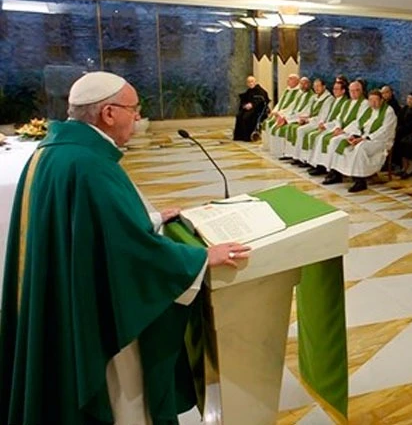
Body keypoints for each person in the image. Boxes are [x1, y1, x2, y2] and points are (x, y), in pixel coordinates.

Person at [1, 72, 250, 424]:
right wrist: (201, 257)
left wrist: (148, 220)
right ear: (108, 113)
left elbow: (90, 228)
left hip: (65, 291)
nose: (137, 117)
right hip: (94, 311)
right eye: (134, 109)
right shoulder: (89, 165)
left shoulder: (57, 151)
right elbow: (129, 253)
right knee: (127, 399)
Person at [321, 89, 398, 192]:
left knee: (360, 147)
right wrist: (349, 133)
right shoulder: (368, 110)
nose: (373, 103)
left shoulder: (388, 112)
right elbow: (357, 123)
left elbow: (384, 130)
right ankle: (336, 173)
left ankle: (360, 181)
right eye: (371, 100)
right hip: (363, 137)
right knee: (337, 141)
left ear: (381, 101)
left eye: (376, 101)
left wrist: (364, 138)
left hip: (380, 141)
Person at [304, 79, 367, 171]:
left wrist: (344, 130)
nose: (353, 93)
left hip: (352, 132)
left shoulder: (364, 104)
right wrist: (337, 127)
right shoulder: (347, 103)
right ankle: (320, 165)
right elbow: (339, 118)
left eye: (356, 90)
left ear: (361, 91)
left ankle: (334, 172)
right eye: (351, 90)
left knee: (334, 141)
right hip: (340, 130)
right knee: (322, 138)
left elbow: (358, 121)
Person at [287, 78, 336, 161]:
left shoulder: (328, 98)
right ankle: (297, 156)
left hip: (318, 122)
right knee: (297, 128)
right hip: (311, 120)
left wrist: (308, 120)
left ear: (324, 87)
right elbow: (308, 111)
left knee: (301, 130)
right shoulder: (314, 97)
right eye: (315, 86)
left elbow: (323, 116)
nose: (316, 88)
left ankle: (304, 159)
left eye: (318, 86)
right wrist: (304, 118)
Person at [261, 74, 304, 149]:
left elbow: (292, 106)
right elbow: (280, 103)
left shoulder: (299, 92)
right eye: (288, 79)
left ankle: (277, 149)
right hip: (279, 113)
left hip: (285, 114)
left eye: (290, 79)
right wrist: (274, 111)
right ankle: (268, 146)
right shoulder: (287, 90)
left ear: (297, 81)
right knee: (266, 122)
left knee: (274, 125)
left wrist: (280, 113)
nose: (288, 80)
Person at [233, 75, 269, 141]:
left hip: (257, 110)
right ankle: (240, 136)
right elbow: (244, 99)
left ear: (255, 82)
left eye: (252, 81)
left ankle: (248, 137)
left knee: (246, 117)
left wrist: (252, 105)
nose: (250, 83)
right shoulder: (249, 91)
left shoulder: (260, 91)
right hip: (249, 109)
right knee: (239, 116)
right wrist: (245, 105)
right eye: (249, 82)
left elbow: (262, 101)